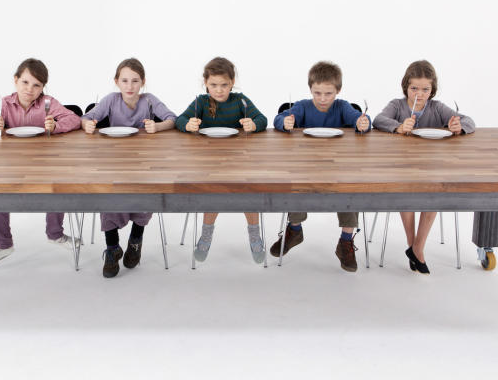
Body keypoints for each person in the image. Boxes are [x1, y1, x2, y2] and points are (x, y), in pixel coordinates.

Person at [0, 58, 81, 264]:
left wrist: (56, 126)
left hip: (43, 160)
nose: (30, 89)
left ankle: (55, 234)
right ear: (15, 80)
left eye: (36, 85)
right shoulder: (4, 103)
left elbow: (74, 118)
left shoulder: (48, 103)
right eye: (25, 82)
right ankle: (4, 244)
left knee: (59, 185)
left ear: (42, 88)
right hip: (10, 161)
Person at [372, 59, 476, 274]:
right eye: (414, 88)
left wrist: (458, 127)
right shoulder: (397, 105)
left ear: (432, 89)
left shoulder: (437, 108)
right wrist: (399, 126)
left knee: (434, 193)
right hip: (403, 167)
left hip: (431, 167)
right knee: (405, 192)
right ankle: (415, 247)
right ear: (406, 87)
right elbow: (379, 119)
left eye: (425, 89)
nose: (419, 93)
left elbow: (469, 121)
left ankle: (416, 247)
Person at [269, 61, 370, 271]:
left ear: (338, 91)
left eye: (328, 93)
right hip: (306, 164)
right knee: (295, 185)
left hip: (338, 165)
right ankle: (294, 229)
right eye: (318, 93)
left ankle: (345, 241)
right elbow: (279, 118)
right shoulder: (303, 106)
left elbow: (360, 119)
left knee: (351, 189)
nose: (323, 99)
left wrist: (364, 122)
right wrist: (285, 122)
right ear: (310, 90)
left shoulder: (342, 107)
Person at [82, 58, 177, 277]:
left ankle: (136, 239)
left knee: (145, 193)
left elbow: (173, 118)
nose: (129, 86)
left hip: (143, 160)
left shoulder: (150, 101)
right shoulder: (111, 100)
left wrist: (158, 126)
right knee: (109, 197)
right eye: (124, 80)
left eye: (135, 81)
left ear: (142, 82)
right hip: (115, 160)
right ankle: (112, 247)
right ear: (116, 82)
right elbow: (87, 117)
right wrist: (87, 124)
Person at [174, 56, 268, 263]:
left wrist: (253, 125)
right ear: (206, 83)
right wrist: (188, 125)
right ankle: (206, 234)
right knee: (212, 194)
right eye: (214, 85)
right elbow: (180, 120)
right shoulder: (201, 102)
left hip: (238, 160)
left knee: (249, 193)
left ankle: (254, 234)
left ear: (232, 83)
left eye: (224, 85)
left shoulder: (240, 100)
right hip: (209, 162)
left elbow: (262, 119)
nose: (219, 90)